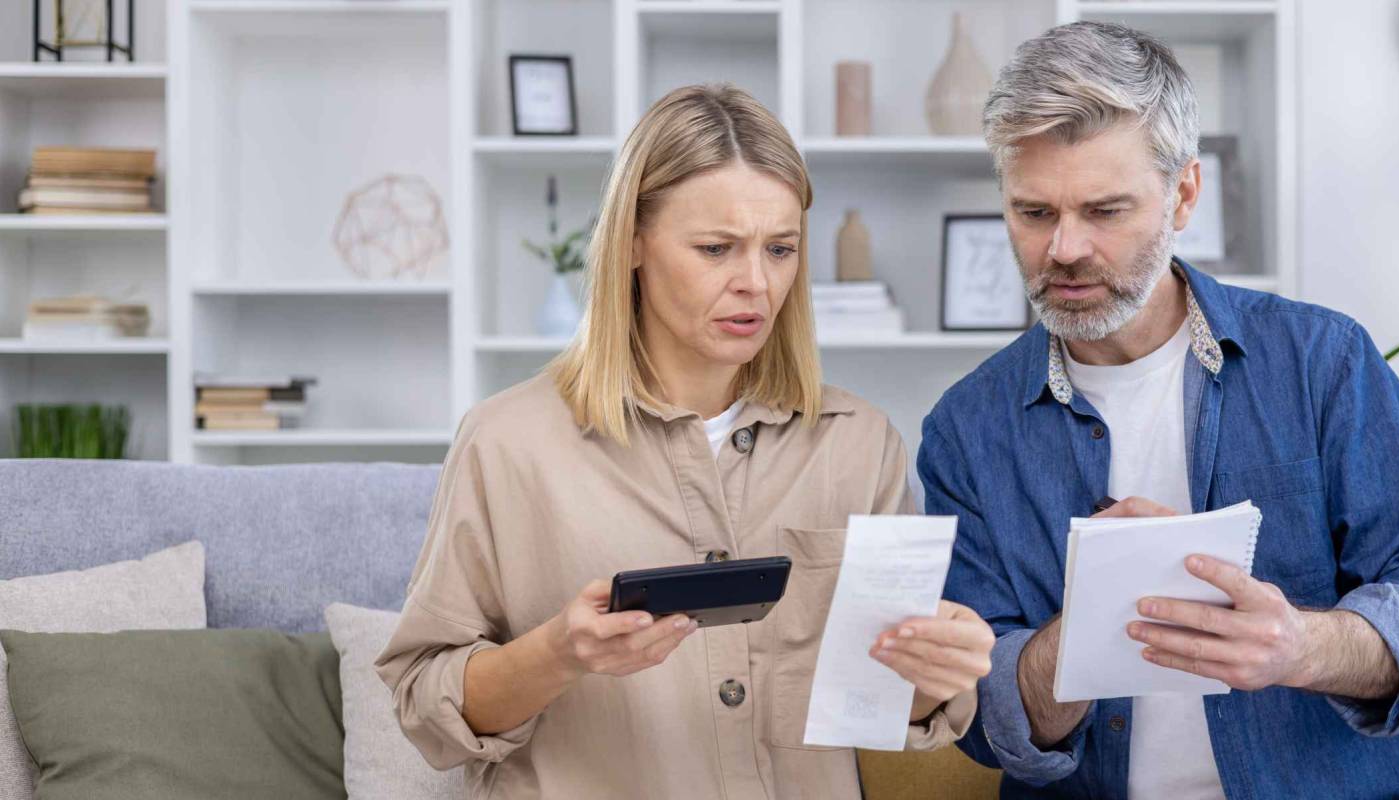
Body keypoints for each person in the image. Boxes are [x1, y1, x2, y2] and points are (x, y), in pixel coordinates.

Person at [376, 84, 995, 799]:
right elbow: (424, 705)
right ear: (632, 243)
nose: (757, 285)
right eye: (716, 248)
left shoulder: (859, 445)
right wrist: (557, 653)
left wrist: (932, 677)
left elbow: (885, 710)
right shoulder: (506, 444)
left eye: (781, 249)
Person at [921, 22, 1399, 799]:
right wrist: (1077, 637)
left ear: (1184, 194)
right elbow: (982, 723)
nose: (1065, 249)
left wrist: (1301, 647)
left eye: (1106, 211)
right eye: (1035, 213)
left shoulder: (1323, 363)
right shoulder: (965, 430)